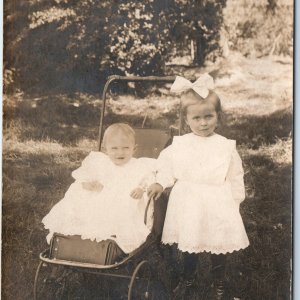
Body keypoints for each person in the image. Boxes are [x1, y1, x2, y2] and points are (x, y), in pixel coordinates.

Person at [148, 74, 249, 299]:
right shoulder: (180, 145)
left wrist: (235, 202)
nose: (203, 123)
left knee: (218, 243)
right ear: (186, 120)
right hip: (189, 201)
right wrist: (160, 182)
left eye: (208, 116)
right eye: (196, 118)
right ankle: (189, 276)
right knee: (189, 241)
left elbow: (235, 175)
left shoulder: (225, 146)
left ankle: (218, 280)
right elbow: (166, 166)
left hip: (217, 201)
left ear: (218, 117)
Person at [43, 123, 156, 254]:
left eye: (126, 148)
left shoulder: (138, 165)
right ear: (105, 149)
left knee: (119, 216)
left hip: (125, 203)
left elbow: (149, 178)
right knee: (82, 203)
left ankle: (110, 238)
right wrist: (89, 183)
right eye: (114, 148)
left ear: (134, 149)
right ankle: (78, 237)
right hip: (99, 201)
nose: (120, 152)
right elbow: (84, 176)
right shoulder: (100, 163)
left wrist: (141, 189)